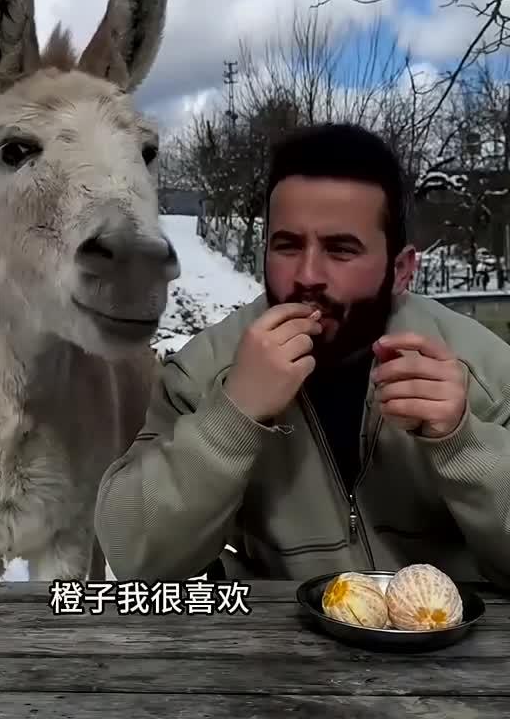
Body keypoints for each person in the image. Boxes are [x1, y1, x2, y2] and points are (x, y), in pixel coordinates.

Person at [94, 122, 510, 590]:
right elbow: (133, 557)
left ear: (401, 270)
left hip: (457, 648)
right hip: (285, 651)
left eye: (340, 249)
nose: (308, 275)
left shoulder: (481, 368)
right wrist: (232, 419)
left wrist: (463, 445)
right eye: (287, 245)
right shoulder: (205, 371)